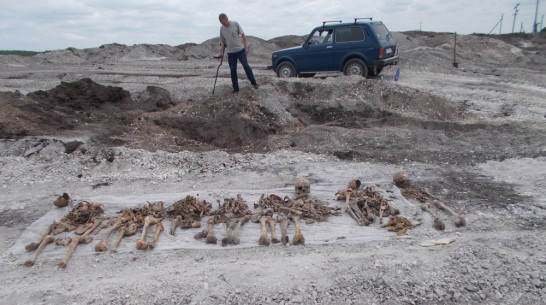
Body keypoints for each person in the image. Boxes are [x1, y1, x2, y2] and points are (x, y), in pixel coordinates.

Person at [216, 13, 259, 93]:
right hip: (230, 53)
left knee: (246, 66)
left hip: (240, 50)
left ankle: (254, 83)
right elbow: (222, 41)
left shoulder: (235, 24)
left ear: (226, 19)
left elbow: (243, 36)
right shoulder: (222, 28)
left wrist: (246, 47)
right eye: (221, 23)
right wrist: (219, 53)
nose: (223, 24)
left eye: (223, 22)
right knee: (233, 70)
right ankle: (236, 89)